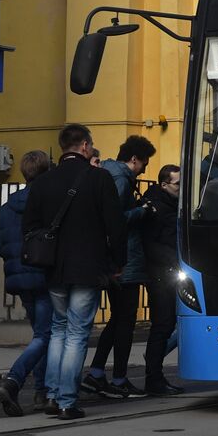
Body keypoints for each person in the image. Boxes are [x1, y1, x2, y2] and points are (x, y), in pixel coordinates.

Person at [25, 124, 124, 420]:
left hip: (54, 268)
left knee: (58, 329)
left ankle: (53, 396)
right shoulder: (99, 179)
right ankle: (68, 400)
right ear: (84, 146)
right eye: (91, 145)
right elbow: (115, 226)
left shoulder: (43, 182)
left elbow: (29, 225)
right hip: (87, 267)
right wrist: (118, 262)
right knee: (78, 332)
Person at [83, 136, 155, 399]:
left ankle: (98, 373)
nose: (145, 169)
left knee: (118, 320)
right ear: (134, 159)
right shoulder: (121, 179)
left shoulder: (109, 173)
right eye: (144, 163)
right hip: (125, 260)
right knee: (125, 321)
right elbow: (115, 219)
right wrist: (142, 210)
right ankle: (118, 378)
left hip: (117, 259)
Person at [0, 150, 53, 417]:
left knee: (41, 333)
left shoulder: (8, 205)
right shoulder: (47, 201)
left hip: (19, 276)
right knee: (45, 334)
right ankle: (14, 381)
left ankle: (41, 390)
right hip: (43, 273)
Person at [139, 164, 184, 395]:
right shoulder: (156, 207)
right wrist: (175, 260)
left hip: (169, 271)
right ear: (165, 185)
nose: (181, 187)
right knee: (163, 324)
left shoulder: (170, 204)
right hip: (161, 274)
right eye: (177, 184)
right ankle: (153, 377)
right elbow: (151, 244)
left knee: (170, 324)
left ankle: (154, 375)